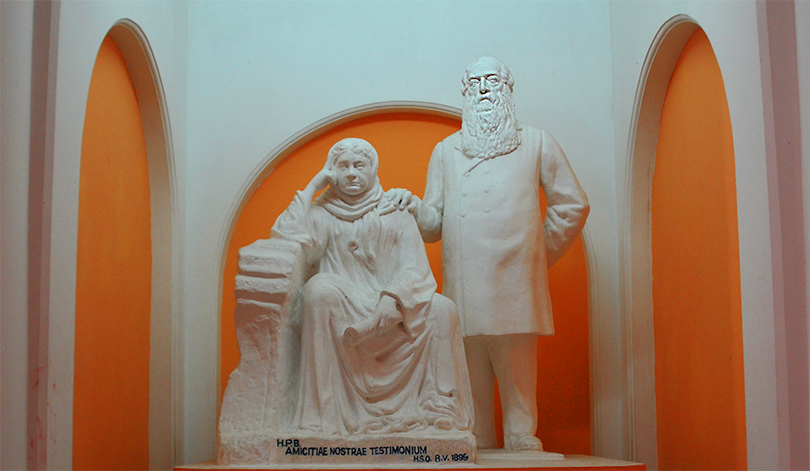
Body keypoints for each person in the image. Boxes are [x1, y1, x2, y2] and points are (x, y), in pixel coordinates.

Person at [387, 57, 589, 451]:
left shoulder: (537, 142)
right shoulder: (446, 151)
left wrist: (535, 256)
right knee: (470, 376)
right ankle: (478, 436)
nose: (483, 88)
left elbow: (572, 205)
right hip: (466, 282)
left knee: (517, 367)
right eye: (475, 82)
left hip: (517, 279)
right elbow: (433, 225)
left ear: (507, 89)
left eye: (492, 80)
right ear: (465, 92)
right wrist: (413, 207)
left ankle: (521, 432)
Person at [271, 137, 474, 435]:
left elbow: (414, 266)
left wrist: (394, 298)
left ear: (372, 168)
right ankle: (324, 416)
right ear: (332, 171)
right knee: (318, 290)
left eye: (359, 165)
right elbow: (284, 236)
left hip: (390, 305)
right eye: (343, 167)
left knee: (443, 310)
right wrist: (314, 185)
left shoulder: (394, 209)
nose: (351, 173)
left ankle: (439, 411)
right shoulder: (320, 213)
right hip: (345, 305)